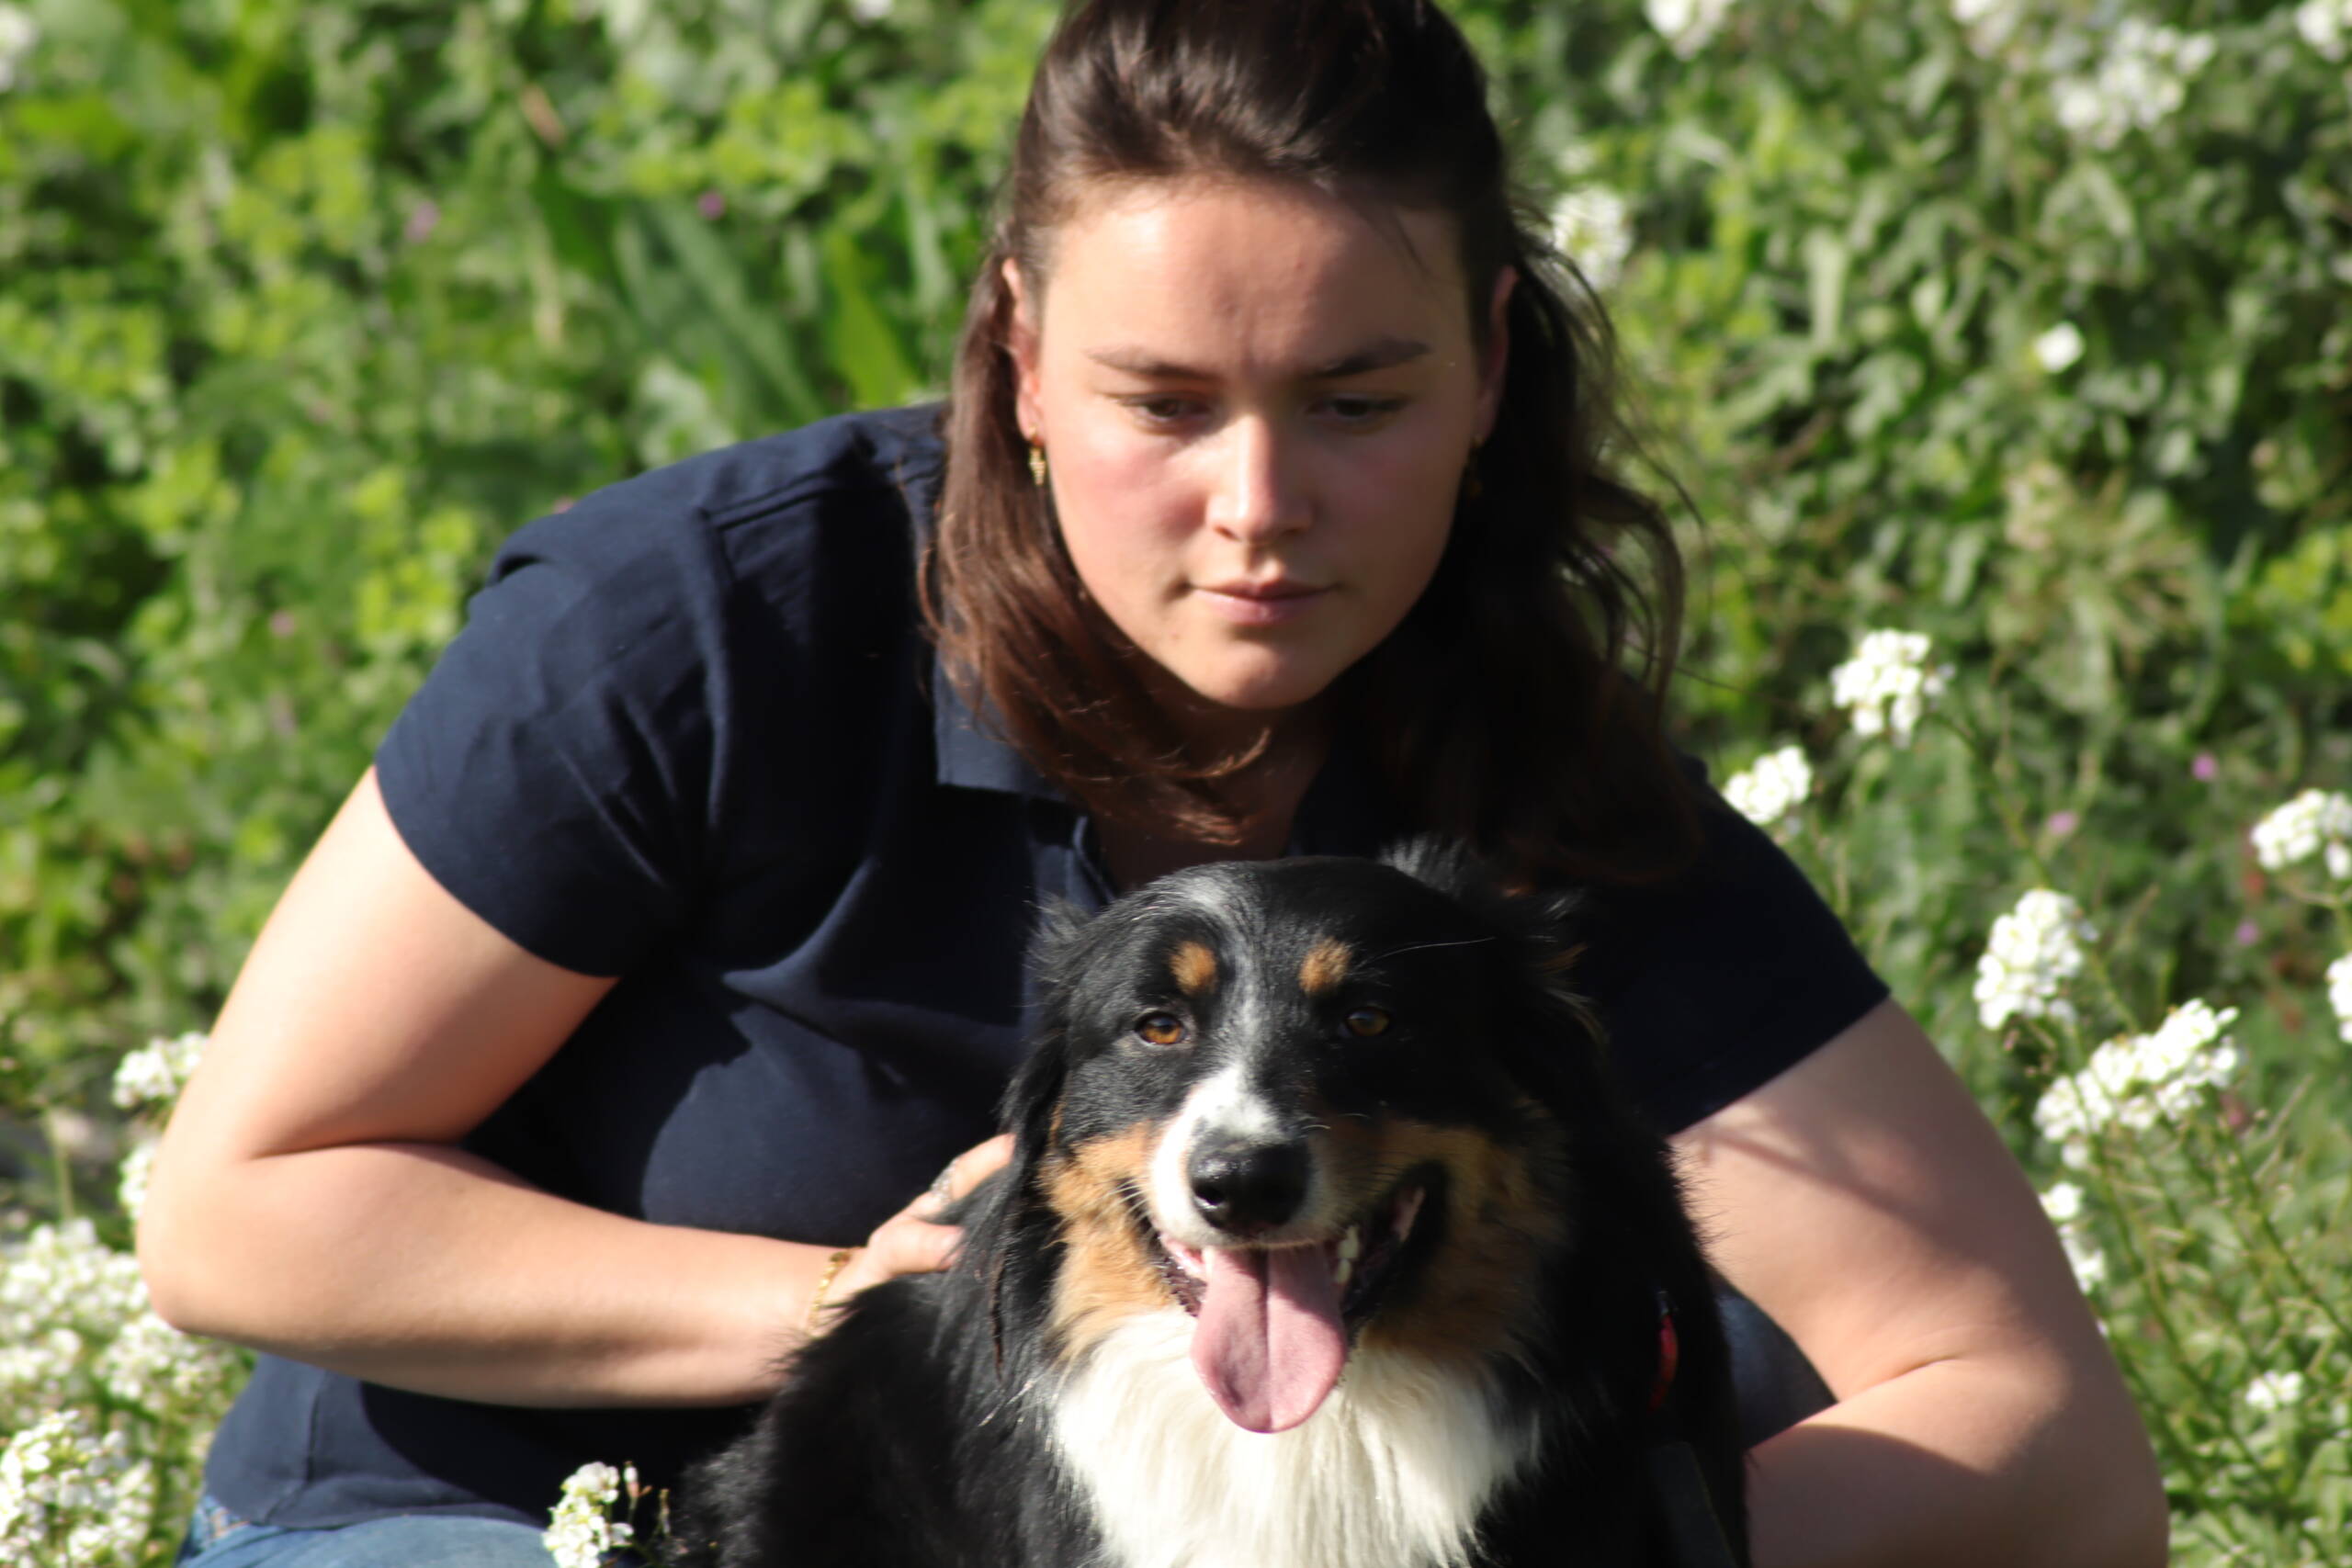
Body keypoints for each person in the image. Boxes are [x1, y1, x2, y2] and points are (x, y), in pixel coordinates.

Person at [140, 2, 2167, 1564]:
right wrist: (873, 1301)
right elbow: (241, 1207)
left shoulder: (1522, 770)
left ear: (1484, 364)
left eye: (1356, 401)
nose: (1258, 512)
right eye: (1161, 404)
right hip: (497, 1515)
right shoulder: (706, 620)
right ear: (1018, 356)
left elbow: (2032, 1428)